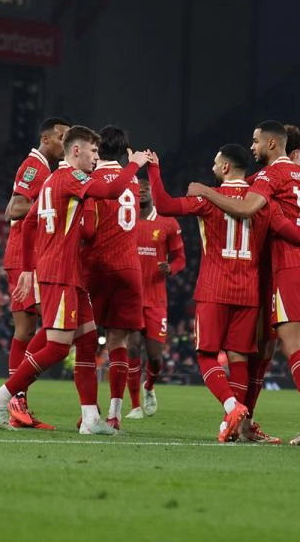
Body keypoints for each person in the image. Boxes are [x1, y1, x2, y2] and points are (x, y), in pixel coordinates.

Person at [150, 145, 300, 442]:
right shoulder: (264, 203)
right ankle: (239, 426)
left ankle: (232, 408)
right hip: (249, 291)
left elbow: (163, 206)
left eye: (216, 163)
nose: (213, 167)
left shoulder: (206, 199)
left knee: (206, 355)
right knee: (239, 357)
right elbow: (293, 233)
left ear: (226, 167)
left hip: (214, 288)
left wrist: (154, 169)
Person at [0, 126, 148, 435]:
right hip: (60, 274)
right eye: (93, 152)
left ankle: (89, 419)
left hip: (66, 273)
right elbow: (112, 192)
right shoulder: (72, 178)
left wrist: (31, 269)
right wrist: (135, 164)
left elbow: (29, 222)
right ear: (76, 152)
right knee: (58, 348)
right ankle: (0, 398)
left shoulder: (50, 181)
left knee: (86, 341)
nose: (96, 159)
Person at [189, 120, 300, 446]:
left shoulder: (267, 178)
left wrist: (207, 192)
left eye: (254, 141)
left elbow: (247, 207)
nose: (251, 147)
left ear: (271, 144)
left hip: (282, 271)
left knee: (271, 350)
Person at [81, 125, 146, 429]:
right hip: (130, 268)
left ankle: (89, 412)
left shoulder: (92, 180)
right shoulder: (132, 180)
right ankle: (115, 415)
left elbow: (89, 229)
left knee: (85, 337)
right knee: (119, 341)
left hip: (97, 267)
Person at [1, 117, 70, 382]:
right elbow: (15, 209)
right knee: (57, 320)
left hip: (23, 254)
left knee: (26, 330)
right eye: (62, 138)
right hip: (24, 254)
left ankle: (15, 397)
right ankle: (14, 392)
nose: (65, 145)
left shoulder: (46, 170)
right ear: (46, 139)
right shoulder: (34, 166)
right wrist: (53, 208)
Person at [126, 179, 185, 420]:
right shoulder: (125, 219)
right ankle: (135, 406)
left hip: (156, 299)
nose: (140, 193)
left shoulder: (168, 222)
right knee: (131, 348)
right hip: (129, 298)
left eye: (145, 189)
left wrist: (171, 268)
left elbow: (181, 257)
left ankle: (149, 386)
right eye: (136, 189)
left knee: (155, 357)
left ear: (152, 192)